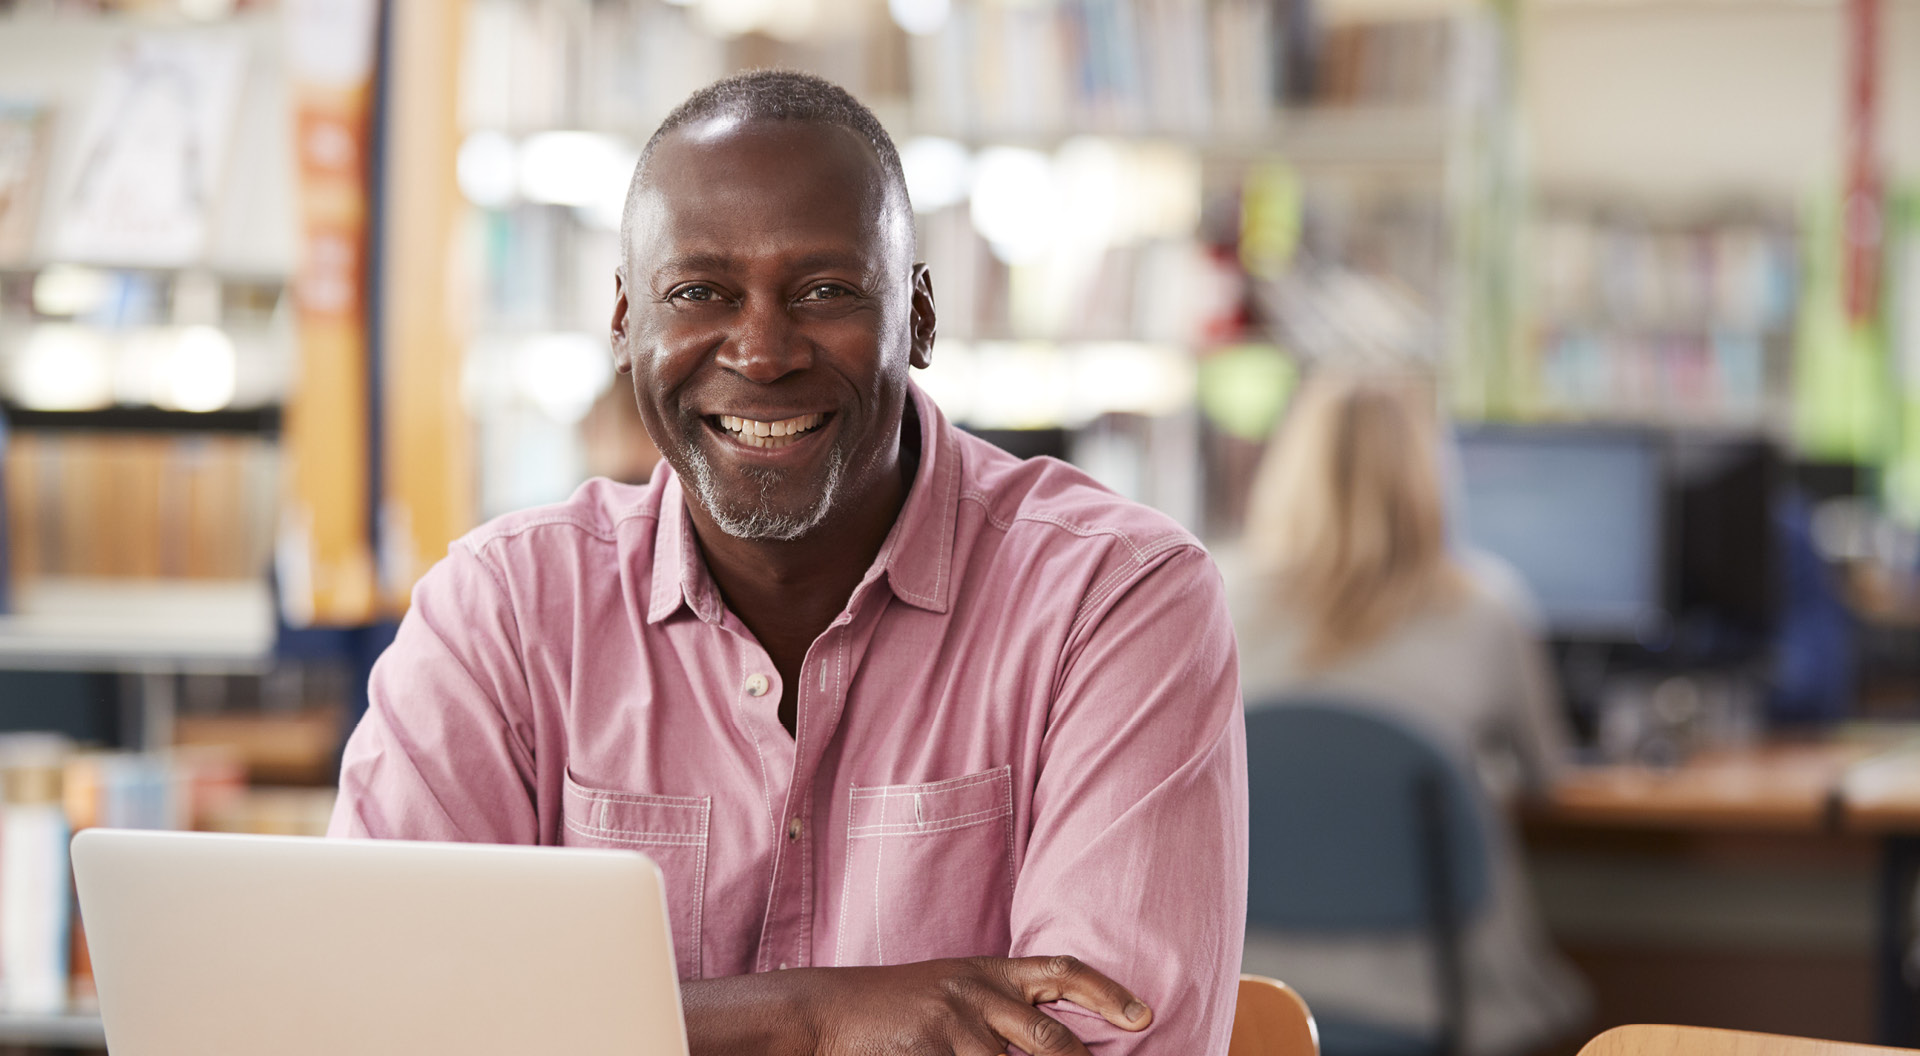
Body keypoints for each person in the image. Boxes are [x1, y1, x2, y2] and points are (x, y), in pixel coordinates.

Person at [329, 70, 1247, 1056]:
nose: (763, 353)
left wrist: (596, 1024)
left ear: (920, 319)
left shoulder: (1116, 596)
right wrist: (816, 1015)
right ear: (626, 325)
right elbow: (375, 1015)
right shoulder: (502, 612)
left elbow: (1107, 1044)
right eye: (698, 292)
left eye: (825, 291)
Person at [1227, 369, 1590, 1056]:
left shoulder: (1217, 600)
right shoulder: (1486, 610)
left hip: (1253, 999)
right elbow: (1550, 778)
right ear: (1429, 475)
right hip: (1435, 999)